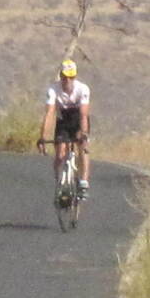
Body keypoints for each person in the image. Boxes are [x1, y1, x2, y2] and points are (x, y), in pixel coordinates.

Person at [37, 58, 91, 199]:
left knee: (82, 147)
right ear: (60, 76)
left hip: (78, 119)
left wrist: (84, 134)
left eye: (71, 77)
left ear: (75, 77)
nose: (67, 81)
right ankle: (59, 183)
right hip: (63, 121)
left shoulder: (83, 89)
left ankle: (83, 181)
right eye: (64, 77)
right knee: (60, 153)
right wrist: (43, 137)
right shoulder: (53, 89)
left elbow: (84, 115)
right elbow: (49, 114)